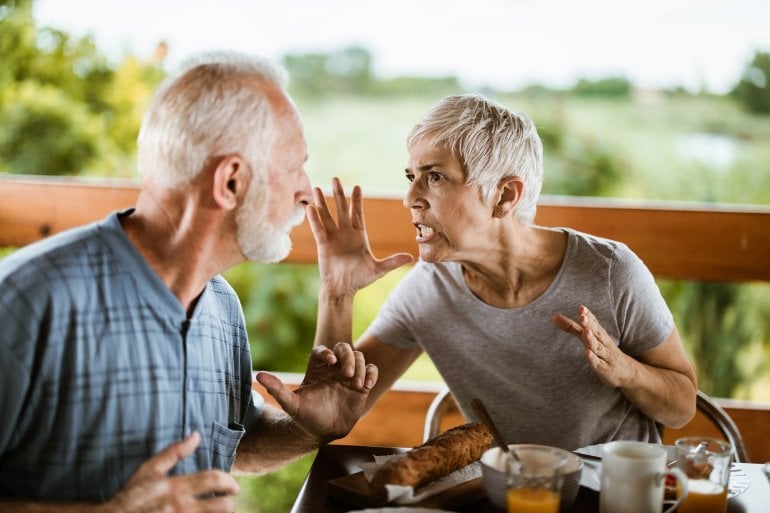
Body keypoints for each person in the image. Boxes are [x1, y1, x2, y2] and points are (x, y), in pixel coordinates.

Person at [0, 51, 380, 512]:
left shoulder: (220, 305)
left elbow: (230, 449)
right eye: (293, 166)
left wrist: (310, 429)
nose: (305, 189)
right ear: (231, 182)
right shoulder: (26, 300)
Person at [310, 94, 698, 452]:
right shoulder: (428, 291)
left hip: (613, 495)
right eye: (412, 176)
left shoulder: (610, 273)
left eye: (436, 176)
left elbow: (681, 407)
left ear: (505, 195)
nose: (410, 198)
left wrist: (626, 371)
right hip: (504, 495)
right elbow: (333, 413)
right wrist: (337, 295)